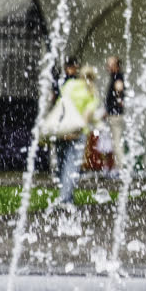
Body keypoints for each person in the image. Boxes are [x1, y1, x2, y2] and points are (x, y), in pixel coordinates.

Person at [55, 64, 102, 205]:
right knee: (72, 165)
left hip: (62, 129)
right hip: (78, 132)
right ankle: (65, 198)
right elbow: (87, 115)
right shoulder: (91, 91)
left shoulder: (70, 85)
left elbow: (60, 104)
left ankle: (64, 194)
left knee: (62, 163)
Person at [104, 55, 126, 173]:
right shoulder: (115, 77)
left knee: (116, 142)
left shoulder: (118, 78)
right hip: (113, 114)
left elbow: (119, 93)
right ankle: (118, 167)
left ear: (116, 66)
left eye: (110, 64)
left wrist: (113, 107)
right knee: (114, 142)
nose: (107, 67)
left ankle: (121, 168)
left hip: (115, 115)